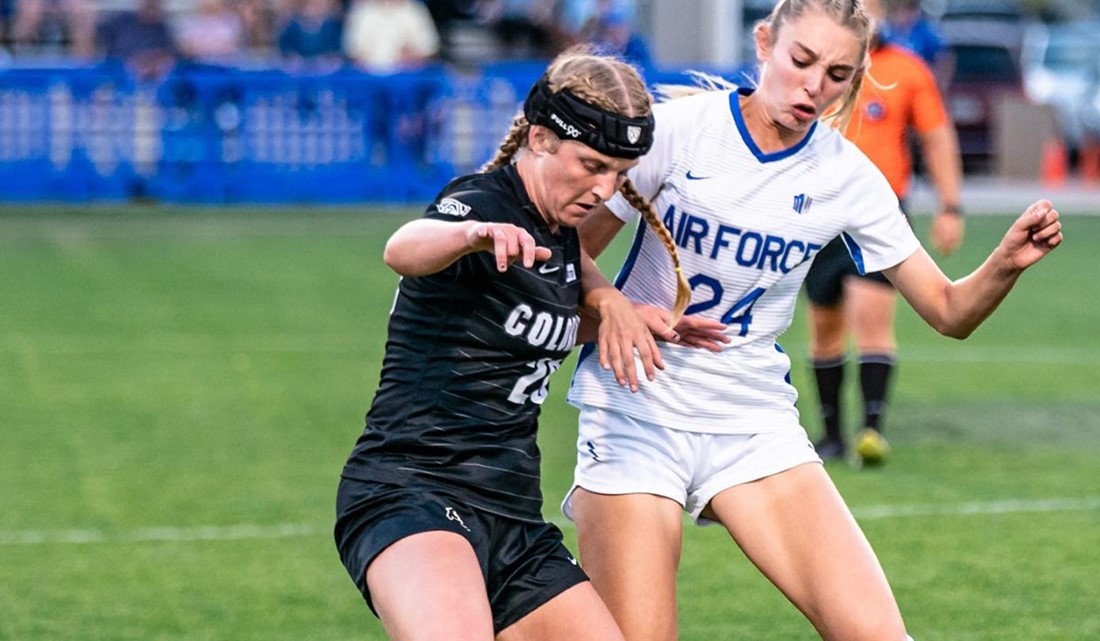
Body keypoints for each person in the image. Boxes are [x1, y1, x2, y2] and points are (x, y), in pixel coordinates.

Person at [561, 1, 1063, 641]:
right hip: (635, 412)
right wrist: (615, 307)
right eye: (800, 60)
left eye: (836, 74)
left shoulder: (848, 176)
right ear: (765, 43)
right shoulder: (678, 132)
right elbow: (572, 253)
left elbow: (948, 311)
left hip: (751, 422)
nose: (813, 85)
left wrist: (1004, 264)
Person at [333, 47, 701, 641]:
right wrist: (470, 236)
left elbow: (541, 319)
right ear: (539, 138)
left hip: (513, 517)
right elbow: (404, 248)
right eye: (591, 164)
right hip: (412, 492)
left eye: (619, 174)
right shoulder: (485, 204)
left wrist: (629, 317)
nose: (603, 189)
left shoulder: (557, 234)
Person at [804, 0, 963, 465]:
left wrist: (949, 206)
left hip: (878, 217)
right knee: (824, 326)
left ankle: (872, 430)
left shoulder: (907, 70)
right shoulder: (816, 70)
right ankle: (831, 434)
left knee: (872, 319)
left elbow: (936, 136)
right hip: (814, 214)